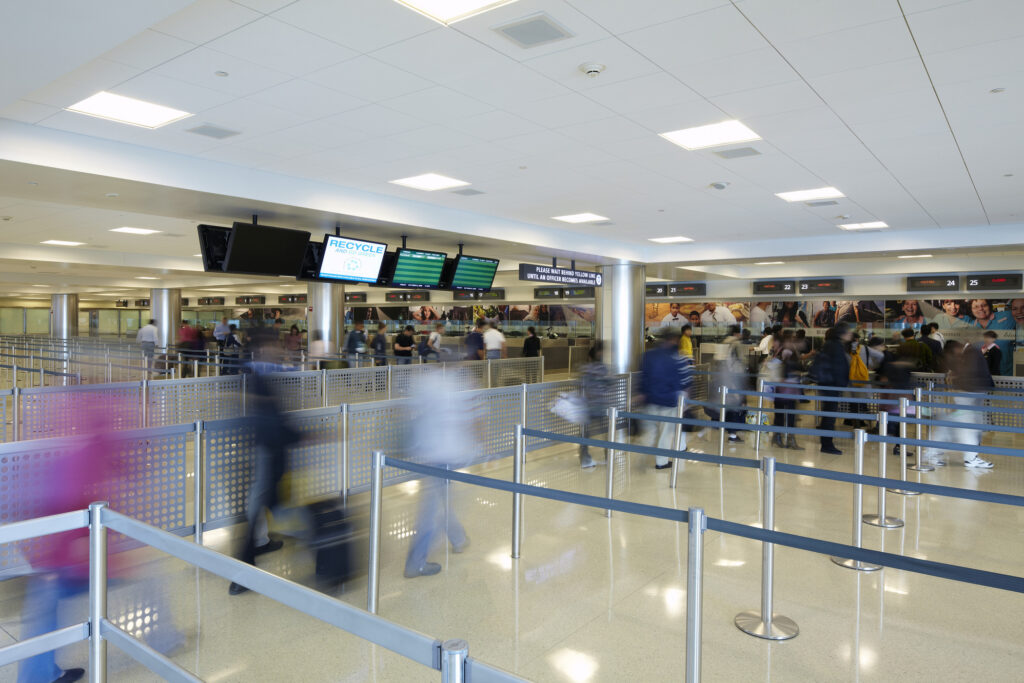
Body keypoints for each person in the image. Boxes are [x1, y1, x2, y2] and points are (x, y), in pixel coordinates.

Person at [229, 362, 299, 595]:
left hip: (267, 452)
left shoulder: (261, 376)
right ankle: (244, 573)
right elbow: (274, 421)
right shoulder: (265, 378)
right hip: (268, 453)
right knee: (268, 507)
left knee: (269, 507)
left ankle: (258, 547)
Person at [403, 370, 477, 578]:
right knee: (432, 510)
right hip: (446, 456)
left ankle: (458, 538)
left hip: (431, 452)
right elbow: (470, 420)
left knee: (443, 499)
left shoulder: (425, 380)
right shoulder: (460, 383)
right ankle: (415, 562)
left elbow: (411, 412)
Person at [922, 340, 995, 469]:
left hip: (967, 394)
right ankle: (971, 458)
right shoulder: (971, 352)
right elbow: (973, 374)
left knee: (950, 426)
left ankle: (931, 453)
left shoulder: (969, 353)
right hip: (968, 395)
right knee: (968, 427)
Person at [638, 328, 690, 470]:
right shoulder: (678, 357)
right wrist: (685, 402)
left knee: (650, 430)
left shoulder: (648, 355)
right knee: (665, 434)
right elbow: (685, 382)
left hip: (650, 400)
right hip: (669, 401)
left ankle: (641, 454)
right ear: (674, 340)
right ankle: (661, 462)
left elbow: (643, 377)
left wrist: (642, 393)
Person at [811, 323, 852, 454]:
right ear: (842, 333)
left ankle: (827, 443)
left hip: (828, 385)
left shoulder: (831, 345)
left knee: (828, 415)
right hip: (831, 386)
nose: (850, 334)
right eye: (848, 331)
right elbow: (838, 368)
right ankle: (827, 444)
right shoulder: (835, 346)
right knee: (829, 416)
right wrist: (842, 384)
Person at [578, 341, 613, 469]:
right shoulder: (603, 368)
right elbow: (609, 384)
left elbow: (581, 385)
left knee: (585, 433)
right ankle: (608, 456)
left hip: (587, 406)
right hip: (600, 405)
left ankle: (585, 459)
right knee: (605, 432)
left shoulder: (585, 368)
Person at [768, 331, 803, 449]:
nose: (773, 344)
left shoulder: (783, 352)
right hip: (786, 388)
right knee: (786, 414)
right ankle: (785, 439)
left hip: (783, 388)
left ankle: (780, 437)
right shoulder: (781, 352)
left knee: (782, 414)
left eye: (774, 341)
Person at [969, 298, 1014, 374]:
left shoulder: (1007, 317)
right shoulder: (970, 326)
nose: (980, 309)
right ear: (971, 310)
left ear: (990, 306)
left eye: (984, 305)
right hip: (983, 377)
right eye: (976, 307)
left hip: (1007, 375)